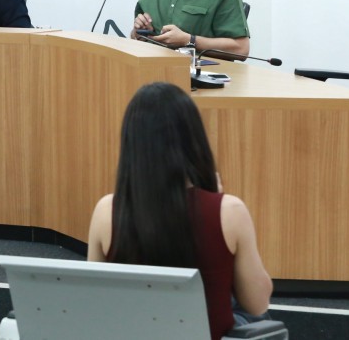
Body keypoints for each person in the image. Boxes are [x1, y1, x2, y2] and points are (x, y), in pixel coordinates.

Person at [87, 82, 273, 340]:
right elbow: (258, 303)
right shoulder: (229, 212)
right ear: (193, 139)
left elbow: (94, 301)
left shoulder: (106, 211)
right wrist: (215, 199)